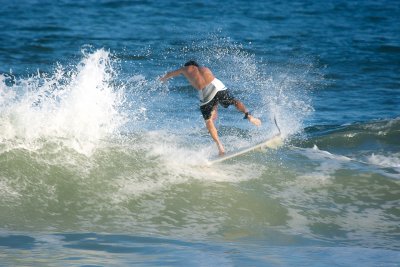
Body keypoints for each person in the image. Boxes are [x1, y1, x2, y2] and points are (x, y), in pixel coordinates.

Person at [160, 60, 261, 156]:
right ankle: (249, 115)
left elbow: (170, 74)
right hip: (217, 85)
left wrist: (163, 79)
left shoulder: (185, 68)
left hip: (205, 92)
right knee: (233, 101)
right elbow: (215, 95)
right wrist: (215, 107)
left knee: (208, 120)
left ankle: (220, 147)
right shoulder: (204, 68)